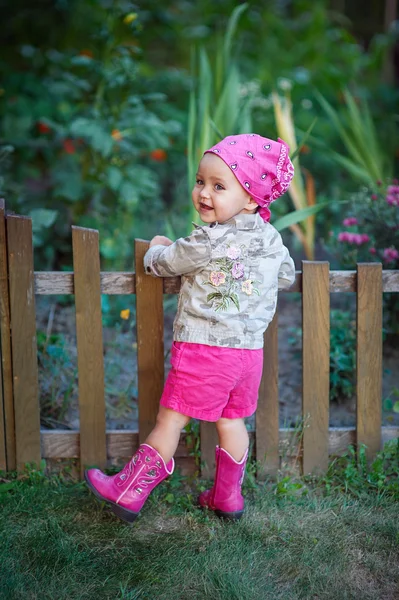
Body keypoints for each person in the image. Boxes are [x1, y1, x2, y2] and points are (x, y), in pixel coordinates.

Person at [85, 133, 296, 524]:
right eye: (201, 181)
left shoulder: (207, 240)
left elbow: (164, 263)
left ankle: (128, 493)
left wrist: (157, 247)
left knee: (172, 420)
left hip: (204, 349)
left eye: (219, 186)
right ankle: (227, 497)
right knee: (232, 421)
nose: (204, 193)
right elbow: (284, 276)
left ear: (251, 199)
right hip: (248, 354)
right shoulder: (272, 240)